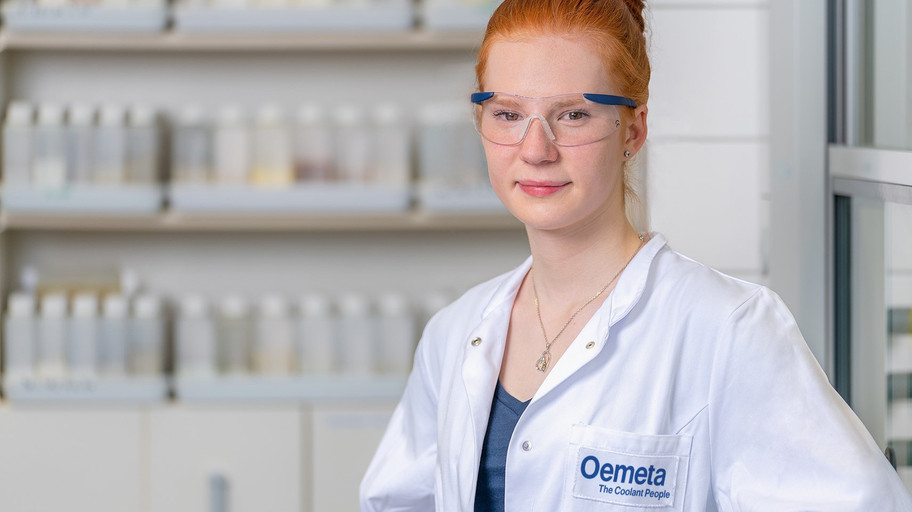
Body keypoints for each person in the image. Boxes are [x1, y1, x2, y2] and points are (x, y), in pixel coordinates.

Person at [360, 0, 912, 510]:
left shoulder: (728, 331)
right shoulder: (454, 334)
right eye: (507, 113)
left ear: (634, 129)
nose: (535, 149)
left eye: (573, 114)